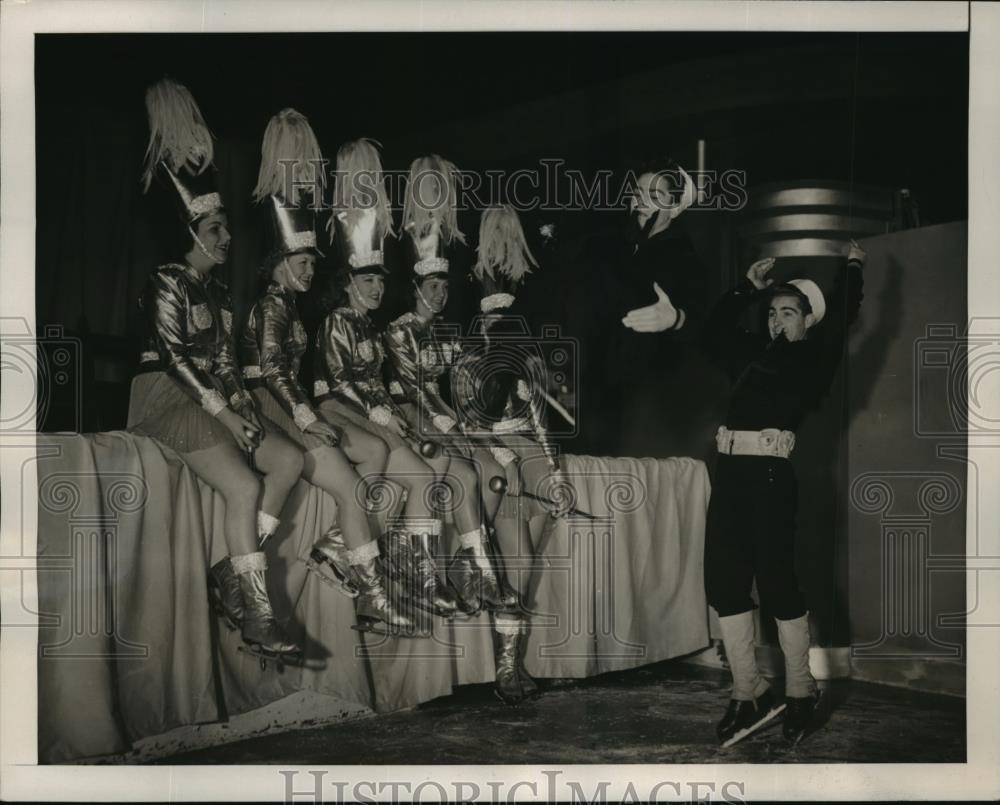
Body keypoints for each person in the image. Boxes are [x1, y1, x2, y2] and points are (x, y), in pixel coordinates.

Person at [127, 78, 302, 660]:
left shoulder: (220, 291)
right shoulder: (167, 282)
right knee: (245, 484)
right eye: (215, 230)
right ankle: (257, 614)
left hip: (214, 399)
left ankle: (231, 569)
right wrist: (227, 416)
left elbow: (225, 359)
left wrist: (248, 412)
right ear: (190, 234)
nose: (227, 238)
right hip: (165, 395)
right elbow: (176, 360)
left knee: (286, 458)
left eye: (225, 227)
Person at [240, 111, 415, 636]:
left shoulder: (290, 308)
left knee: (364, 475)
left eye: (314, 264)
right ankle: (244, 574)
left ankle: (363, 583)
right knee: (350, 485)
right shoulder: (271, 306)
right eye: (302, 263)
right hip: (272, 408)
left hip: (292, 407)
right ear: (278, 262)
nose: (311, 271)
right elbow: (271, 369)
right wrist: (305, 414)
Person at [702, 240, 866, 747]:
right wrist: (742, 290)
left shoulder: (813, 358)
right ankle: (747, 689)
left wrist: (853, 268)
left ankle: (800, 689)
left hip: (770, 479)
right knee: (724, 582)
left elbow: (843, 315)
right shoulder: (751, 354)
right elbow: (712, 335)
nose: (777, 321)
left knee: (775, 583)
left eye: (788, 312)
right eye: (772, 312)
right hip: (728, 477)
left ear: (807, 321)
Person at [315, 140, 458, 622]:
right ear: (350, 283)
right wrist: (376, 409)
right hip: (337, 410)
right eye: (368, 282)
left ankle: (417, 570)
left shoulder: (371, 327)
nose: (377, 289)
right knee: (391, 460)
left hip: (369, 414)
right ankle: (336, 548)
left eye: (381, 282)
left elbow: (377, 385)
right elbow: (338, 379)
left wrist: (390, 412)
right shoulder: (337, 320)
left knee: (422, 475)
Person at [451, 205, 570, 704]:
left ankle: (511, 664)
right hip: (493, 451)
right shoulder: (468, 357)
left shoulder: (527, 356)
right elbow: (465, 423)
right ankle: (505, 667)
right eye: (494, 321)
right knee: (519, 563)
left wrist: (557, 475)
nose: (500, 328)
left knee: (530, 551)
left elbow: (541, 419)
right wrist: (498, 444)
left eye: (507, 322)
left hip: (527, 450)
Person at [386, 157, 508, 617]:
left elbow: (468, 375)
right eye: (433, 286)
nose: (441, 294)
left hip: (440, 414)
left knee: (487, 474)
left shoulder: (446, 334)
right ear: (416, 287)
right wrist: (446, 421)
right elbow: (413, 387)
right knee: (460, 469)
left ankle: (470, 568)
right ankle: (429, 567)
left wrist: (494, 345)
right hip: (407, 412)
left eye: (445, 286)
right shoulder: (398, 331)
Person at [580, 157, 722, 458]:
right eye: (639, 192)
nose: (643, 199)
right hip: (605, 395)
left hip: (654, 403)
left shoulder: (686, 259)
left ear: (674, 207)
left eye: (655, 195)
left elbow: (704, 327)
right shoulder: (615, 249)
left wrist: (676, 319)